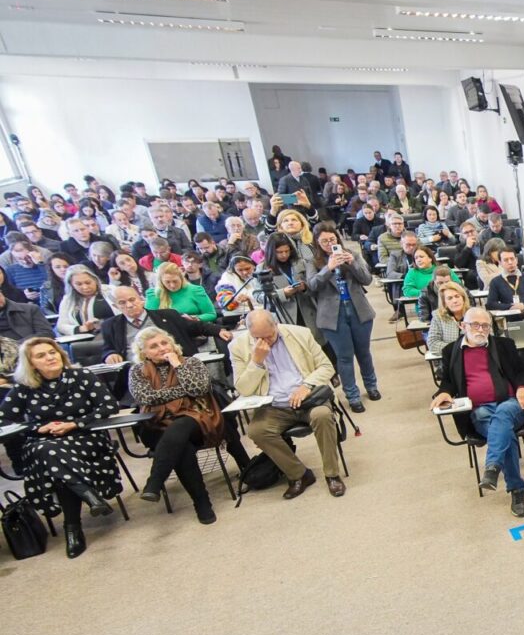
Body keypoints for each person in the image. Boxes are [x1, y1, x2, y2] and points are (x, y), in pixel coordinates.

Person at [0, 337, 121, 557]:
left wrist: (74, 423)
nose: (49, 357)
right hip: (43, 444)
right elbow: (5, 419)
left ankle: (73, 528)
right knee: (51, 452)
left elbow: (109, 405)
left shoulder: (81, 376)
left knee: (54, 461)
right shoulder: (25, 387)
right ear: (31, 364)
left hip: (85, 439)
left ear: (60, 354)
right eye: (41, 356)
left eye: (52, 352)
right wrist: (38, 427)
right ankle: (89, 498)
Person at [429, 307, 524, 517]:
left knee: (503, 414)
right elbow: (448, 382)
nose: (480, 329)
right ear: (462, 326)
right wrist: (442, 393)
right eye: (475, 325)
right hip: (479, 411)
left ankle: (494, 468)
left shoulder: (504, 345)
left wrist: (522, 387)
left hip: (511, 404)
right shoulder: (451, 351)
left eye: (485, 325)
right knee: (506, 433)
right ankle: (516, 489)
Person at [230, 310, 346, 498]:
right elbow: (243, 389)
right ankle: (299, 474)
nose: (266, 341)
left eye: (270, 335)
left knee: (322, 416)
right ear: (250, 333)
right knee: (257, 431)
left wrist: (306, 385)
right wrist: (257, 362)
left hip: (309, 400)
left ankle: (332, 475)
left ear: (276, 325)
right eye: (259, 337)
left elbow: (326, 367)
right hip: (274, 406)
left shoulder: (300, 333)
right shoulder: (238, 347)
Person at [127, 327, 228, 524]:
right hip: (156, 425)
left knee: (182, 426)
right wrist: (182, 392)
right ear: (143, 352)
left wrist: (177, 366)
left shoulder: (190, 362)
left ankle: (156, 482)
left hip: (196, 421)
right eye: (154, 346)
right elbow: (146, 397)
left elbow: (199, 389)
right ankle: (202, 503)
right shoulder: (137, 371)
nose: (162, 348)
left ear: (173, 344)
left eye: (165, 343)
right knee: (182, 448)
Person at [302, 222, 379, 412]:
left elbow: (367, 279)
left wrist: (351, 264)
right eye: (324, 241)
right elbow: (311, 286)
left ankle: (371, 386)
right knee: (344, 357)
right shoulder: (312, 262)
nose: (329, 244)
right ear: (317, 243)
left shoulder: (352, 255)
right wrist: (328, 268)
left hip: (358, 310)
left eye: (332, 239)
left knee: (364, 352)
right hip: (332, 315)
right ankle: (352, 395)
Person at [100, 284, 230, 366]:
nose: (129, 305)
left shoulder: (168, 315)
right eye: (122, 303)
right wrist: (109, 354)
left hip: (175, 365)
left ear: (141, 299)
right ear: (115, 306)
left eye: (132, 300)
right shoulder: (110, 325)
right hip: (136, 372)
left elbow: (195, 327)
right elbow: (107, 348)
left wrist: (218, 330)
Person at [484, 242, 524, 318]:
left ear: (516, 260)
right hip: (511, 319)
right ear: (500, 263)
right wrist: (510, 307)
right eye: (506, 260)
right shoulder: (495, 282)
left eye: (512, 259)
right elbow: (491, 304)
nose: (510, 262)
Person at [147, 262, 217, 322]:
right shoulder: (153, 294)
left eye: (175, 281)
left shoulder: (195, 290)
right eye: (167, 282)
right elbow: (152, 320)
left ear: (181, 278)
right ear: (161, 282)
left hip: (195, 329)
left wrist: (195, 318)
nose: (172, 285)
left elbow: (211, 314)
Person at [426, 282, 471, 355]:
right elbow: (432, 343)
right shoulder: (438, 316)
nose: (455, 301)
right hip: (449, 361)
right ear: (444, 303)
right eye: (450, 298)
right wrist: (458, 349)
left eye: (457, 296)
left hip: (473, 359)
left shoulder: (475, 315)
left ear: (463, 298)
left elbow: (485, 340)